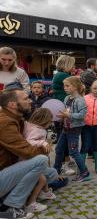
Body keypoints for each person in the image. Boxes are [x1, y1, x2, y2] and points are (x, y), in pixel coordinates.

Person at [0, 89, 56, 219]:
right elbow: (27, 152)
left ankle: (20, 198)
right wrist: (46, 147)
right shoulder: (5, 122)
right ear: (12, 104)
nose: (30, 100)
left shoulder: (15, 118)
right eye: (25, 98)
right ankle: (13, 205)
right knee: (41, 160)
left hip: (7, 170)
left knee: (51, 173)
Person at [53, 76, 90, 182]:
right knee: (58, 149)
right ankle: (56, 171)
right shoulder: (66, 98)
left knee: (73, 152)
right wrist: (61, 116)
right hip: (66, 128)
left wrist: (69, 115)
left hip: (74, 129)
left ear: (74, 87)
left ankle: (84, 172)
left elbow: (82, 115)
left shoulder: (80, 100)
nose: (64, 88)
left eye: (67, 85)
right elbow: (65, 111)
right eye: (64, 85)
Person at [23, 108, 57, 212]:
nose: (51, 123)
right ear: (43, 120)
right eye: (50, 121)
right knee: (42, 179)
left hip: (30, 158)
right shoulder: (37, 129)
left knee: (44, 174)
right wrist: (43, 143)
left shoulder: (30, 125)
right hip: (29, 159)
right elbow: (29, 141)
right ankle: (30, 204)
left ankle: (45, 192)